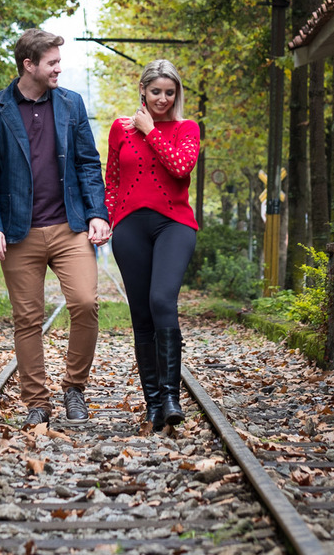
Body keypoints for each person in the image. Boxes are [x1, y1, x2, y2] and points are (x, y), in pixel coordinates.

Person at [0, 29, 111, 428]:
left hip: (70, 226)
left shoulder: (71, 103)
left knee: (85, 303)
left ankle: (74, 388)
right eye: (51, 62)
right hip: (18, 232)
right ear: (28, 65)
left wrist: (98, 213)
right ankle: (37, 401)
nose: (58, 69)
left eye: (58, 62)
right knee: (27, 319)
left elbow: (88, 163)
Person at [105, 60, 200, 432]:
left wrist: (150, 130)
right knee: (141, 315)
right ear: (142, 90)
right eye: (156, 91)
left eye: (169, 92)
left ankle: (171, 396)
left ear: (176, 94)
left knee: (162, 301)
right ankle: (153, 404)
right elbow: (111, 178)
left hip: (174, 224)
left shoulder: (186, 128)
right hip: (130, 227)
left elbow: (181, 167)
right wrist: (111, 218)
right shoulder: (119, 129)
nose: (162, 98)